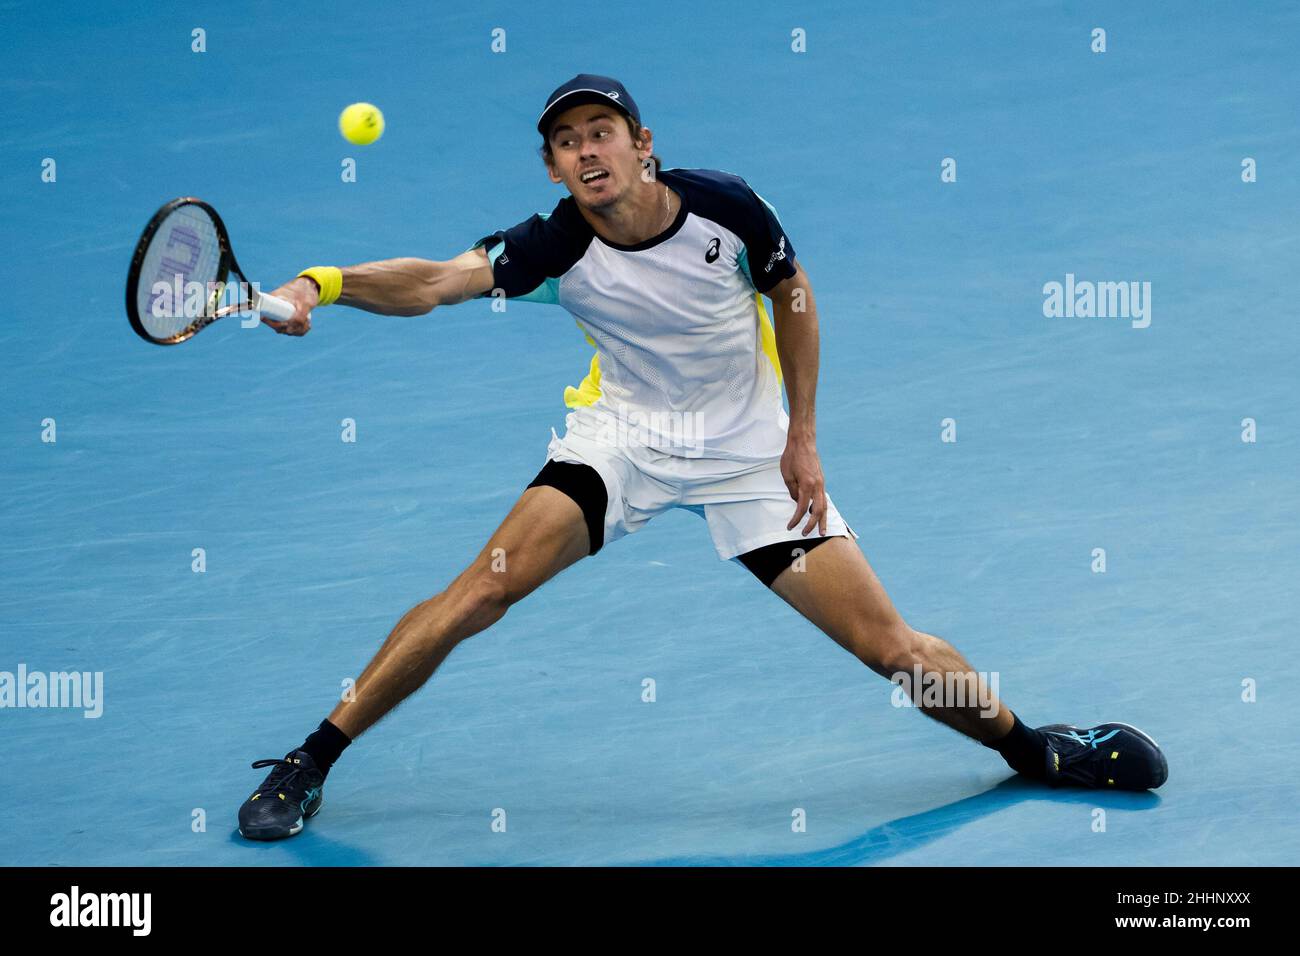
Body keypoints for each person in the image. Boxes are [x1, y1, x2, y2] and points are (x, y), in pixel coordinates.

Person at [236, 74, 1167, 842]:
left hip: (748, 454)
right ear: (555, 168)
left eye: (601, 131)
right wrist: (321, 284)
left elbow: (792, 295)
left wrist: (801, 438)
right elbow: (437, 281)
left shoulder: (725, 207)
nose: (586, 151)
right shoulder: (552, 245)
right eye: (566, 142)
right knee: (479, 590)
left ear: (643, 143)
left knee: (891, 648)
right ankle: (310, 759)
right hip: (623, 442)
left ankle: (1036, 750)